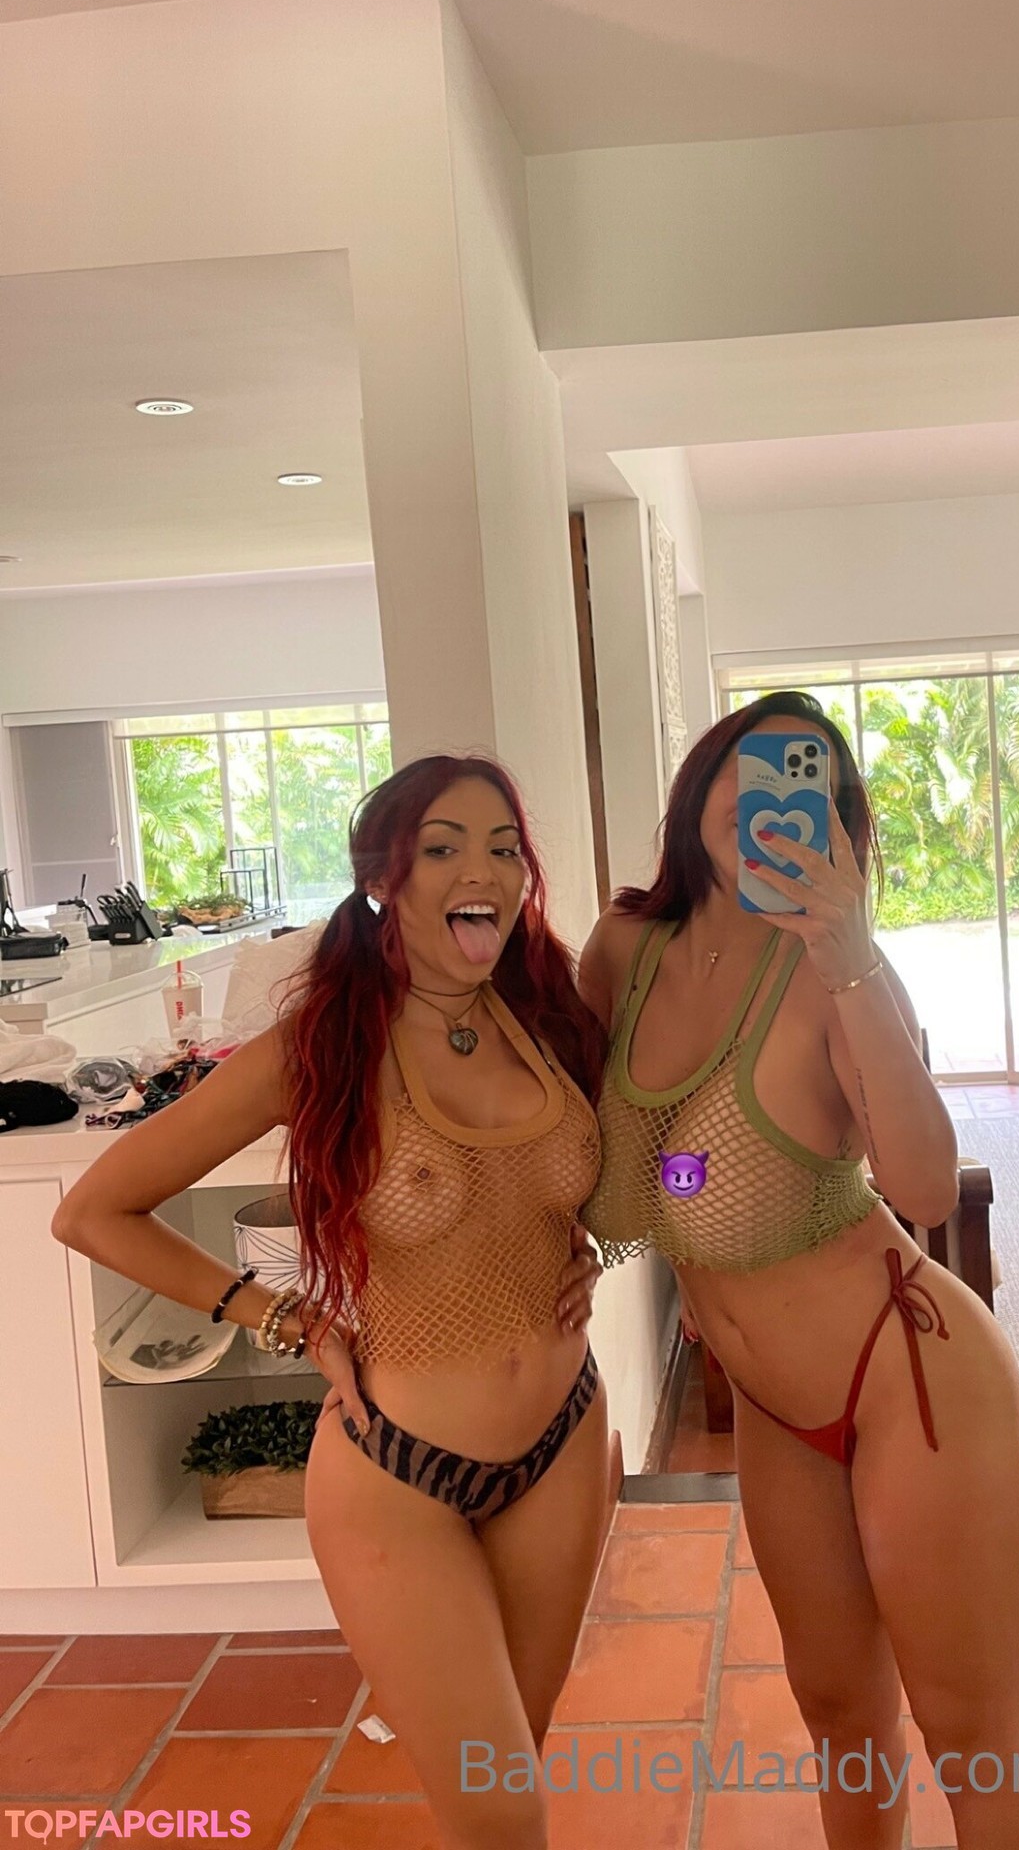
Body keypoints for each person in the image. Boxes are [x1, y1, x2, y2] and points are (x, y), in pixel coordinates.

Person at [53, 754, 609, 1850]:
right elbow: (93, 1212)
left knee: (510, 1769)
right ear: (382, 881)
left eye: (504, 847)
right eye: (442, 847)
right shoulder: (320, 1048)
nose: (483, 870)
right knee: (503, 1815)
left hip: (565, 1440)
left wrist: (595, 1241)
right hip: (397, 1474)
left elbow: (638, 1173)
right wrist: (282, 1315)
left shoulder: (547, 1015)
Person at [579, 692, 1019, 1850]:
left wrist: (851, 963)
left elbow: (925, 1189)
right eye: (750, 772)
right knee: (838, 1707)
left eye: (810, 785)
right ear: (701, 791)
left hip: (910, 1377)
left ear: (839, 827)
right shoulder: (623, 950)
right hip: (776, 1404)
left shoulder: (836, 974)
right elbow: (587, 1135)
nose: (773, 802)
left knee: (971, 1726)